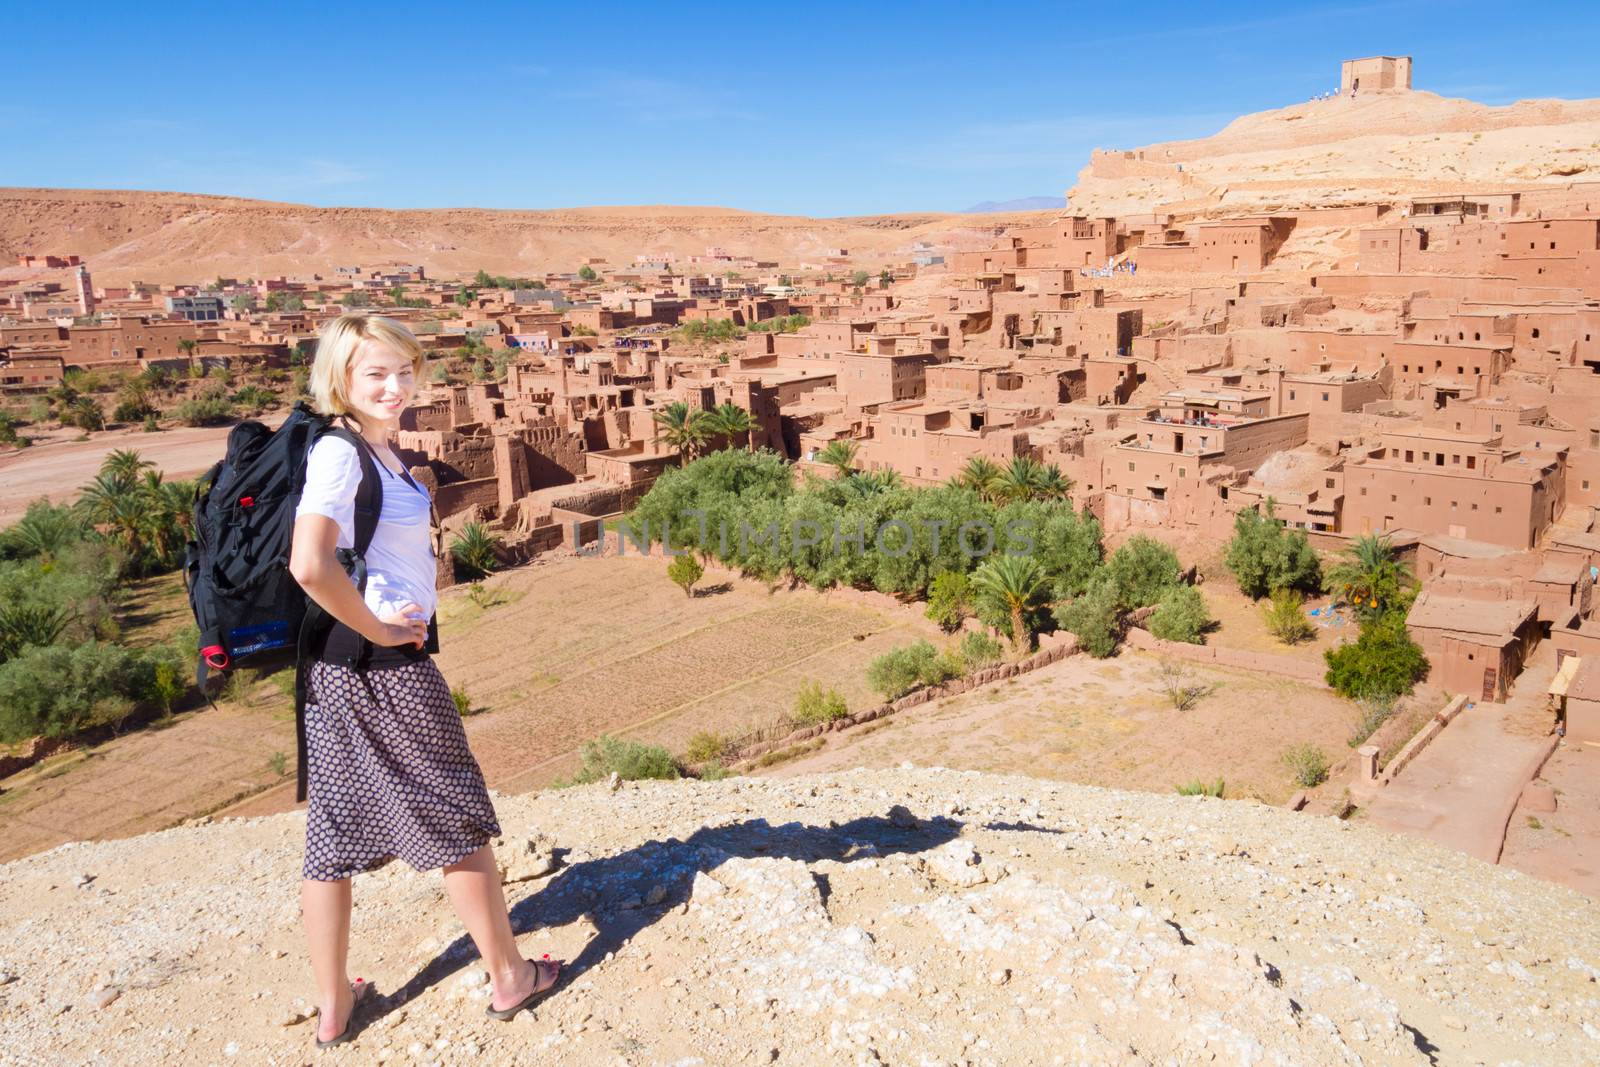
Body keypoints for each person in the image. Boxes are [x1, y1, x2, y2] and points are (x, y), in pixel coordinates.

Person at [289, 314, 559, 1049]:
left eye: (404, 370)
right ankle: (510, 975)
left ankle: (333, 1005)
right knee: (455, 816)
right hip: (385, 668)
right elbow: (308, 562)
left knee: (334, 834)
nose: (395, 385)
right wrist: (379, 629)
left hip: (334, 673)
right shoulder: (341, 455)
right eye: (375, 373)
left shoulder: (375, 452)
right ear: (339, 378)